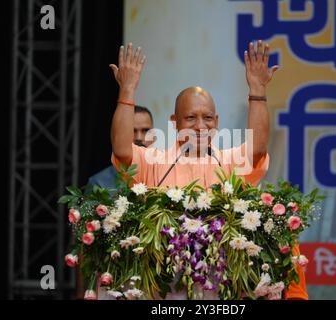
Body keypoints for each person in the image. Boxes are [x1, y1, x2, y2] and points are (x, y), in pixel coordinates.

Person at [108, 41, 308, 300]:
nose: (200, 126)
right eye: (190, 118)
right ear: (174, 122)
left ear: (218, 123)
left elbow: (257, 149)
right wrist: (128, 89)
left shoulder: (230, 162)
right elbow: (123, 150)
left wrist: (257, 90)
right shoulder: (154, 161)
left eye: (208, 118)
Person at [87, 105, 154, 190]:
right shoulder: (99, 183)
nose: (139, 138)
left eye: (145, 131)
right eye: (132, 130)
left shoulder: (165, 176)